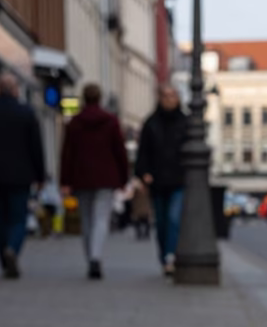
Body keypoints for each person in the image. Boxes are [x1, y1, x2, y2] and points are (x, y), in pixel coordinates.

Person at [0, 72, 45, 279]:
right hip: (21, 177)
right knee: (18, 218)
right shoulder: (26, 113)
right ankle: (12, 248)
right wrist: (40, 177)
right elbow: (36, 148)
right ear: (15, 90)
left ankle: (4, 261)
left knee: (1, 219)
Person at [60, 83, 129, 279]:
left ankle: (90, 257)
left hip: (81, 177)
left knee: (87, 220)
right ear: (100, 98)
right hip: (106, 177)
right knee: (101, 219)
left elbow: (67, 154)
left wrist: (65, 180)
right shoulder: (111, 121)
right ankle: (95, 257)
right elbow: (119, 151)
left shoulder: (74, 123)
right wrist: (123, 178)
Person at [136, 84, 188, 275]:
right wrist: (144, 173)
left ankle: (170, 257)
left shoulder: (185, 122)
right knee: (161, 222)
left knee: (174, 218)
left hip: (179, 179)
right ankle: (164, 254)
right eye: (165, 96)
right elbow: (143, 151)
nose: (169, 99)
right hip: (157, 181)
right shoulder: (151, 123)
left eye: (172, 95)